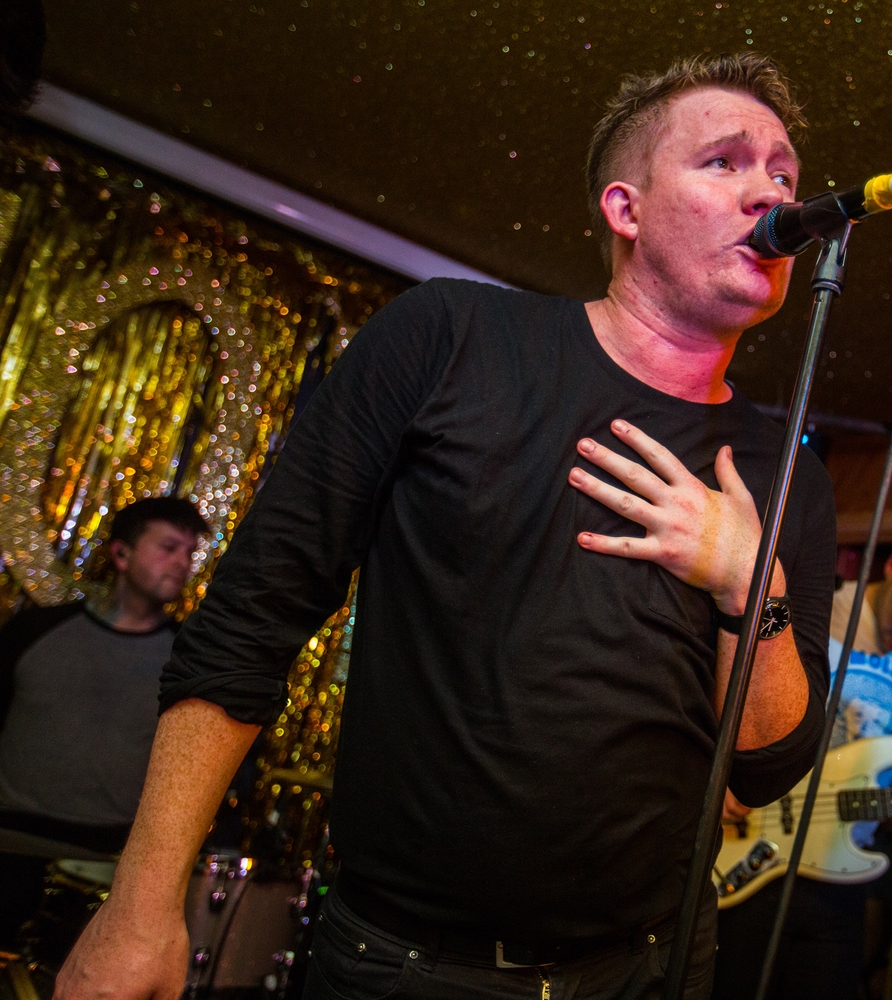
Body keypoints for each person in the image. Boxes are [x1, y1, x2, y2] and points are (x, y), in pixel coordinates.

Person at [55, 52, 836, 1000]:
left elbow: (768, 767)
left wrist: (751, 581)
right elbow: (254, 613)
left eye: (784, 173)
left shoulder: (784, 463)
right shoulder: (451, 338)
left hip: (651, 967)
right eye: (724, 162)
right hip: (404, 966)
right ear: (624, 210)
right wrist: (141, 905)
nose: (770, 191)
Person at [715, 534, 892, 1000]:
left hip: (840, 867)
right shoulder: (814, 604)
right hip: (752, 836)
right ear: (891, 567)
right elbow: (730, 678)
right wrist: (720, 774)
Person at [0, 496, 207, 945]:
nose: (182, 563)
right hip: (9, 845)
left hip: (105, 867)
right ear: (120, 554)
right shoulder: (37, 632)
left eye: (189, 553)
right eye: (168, 547)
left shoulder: (187, 660)